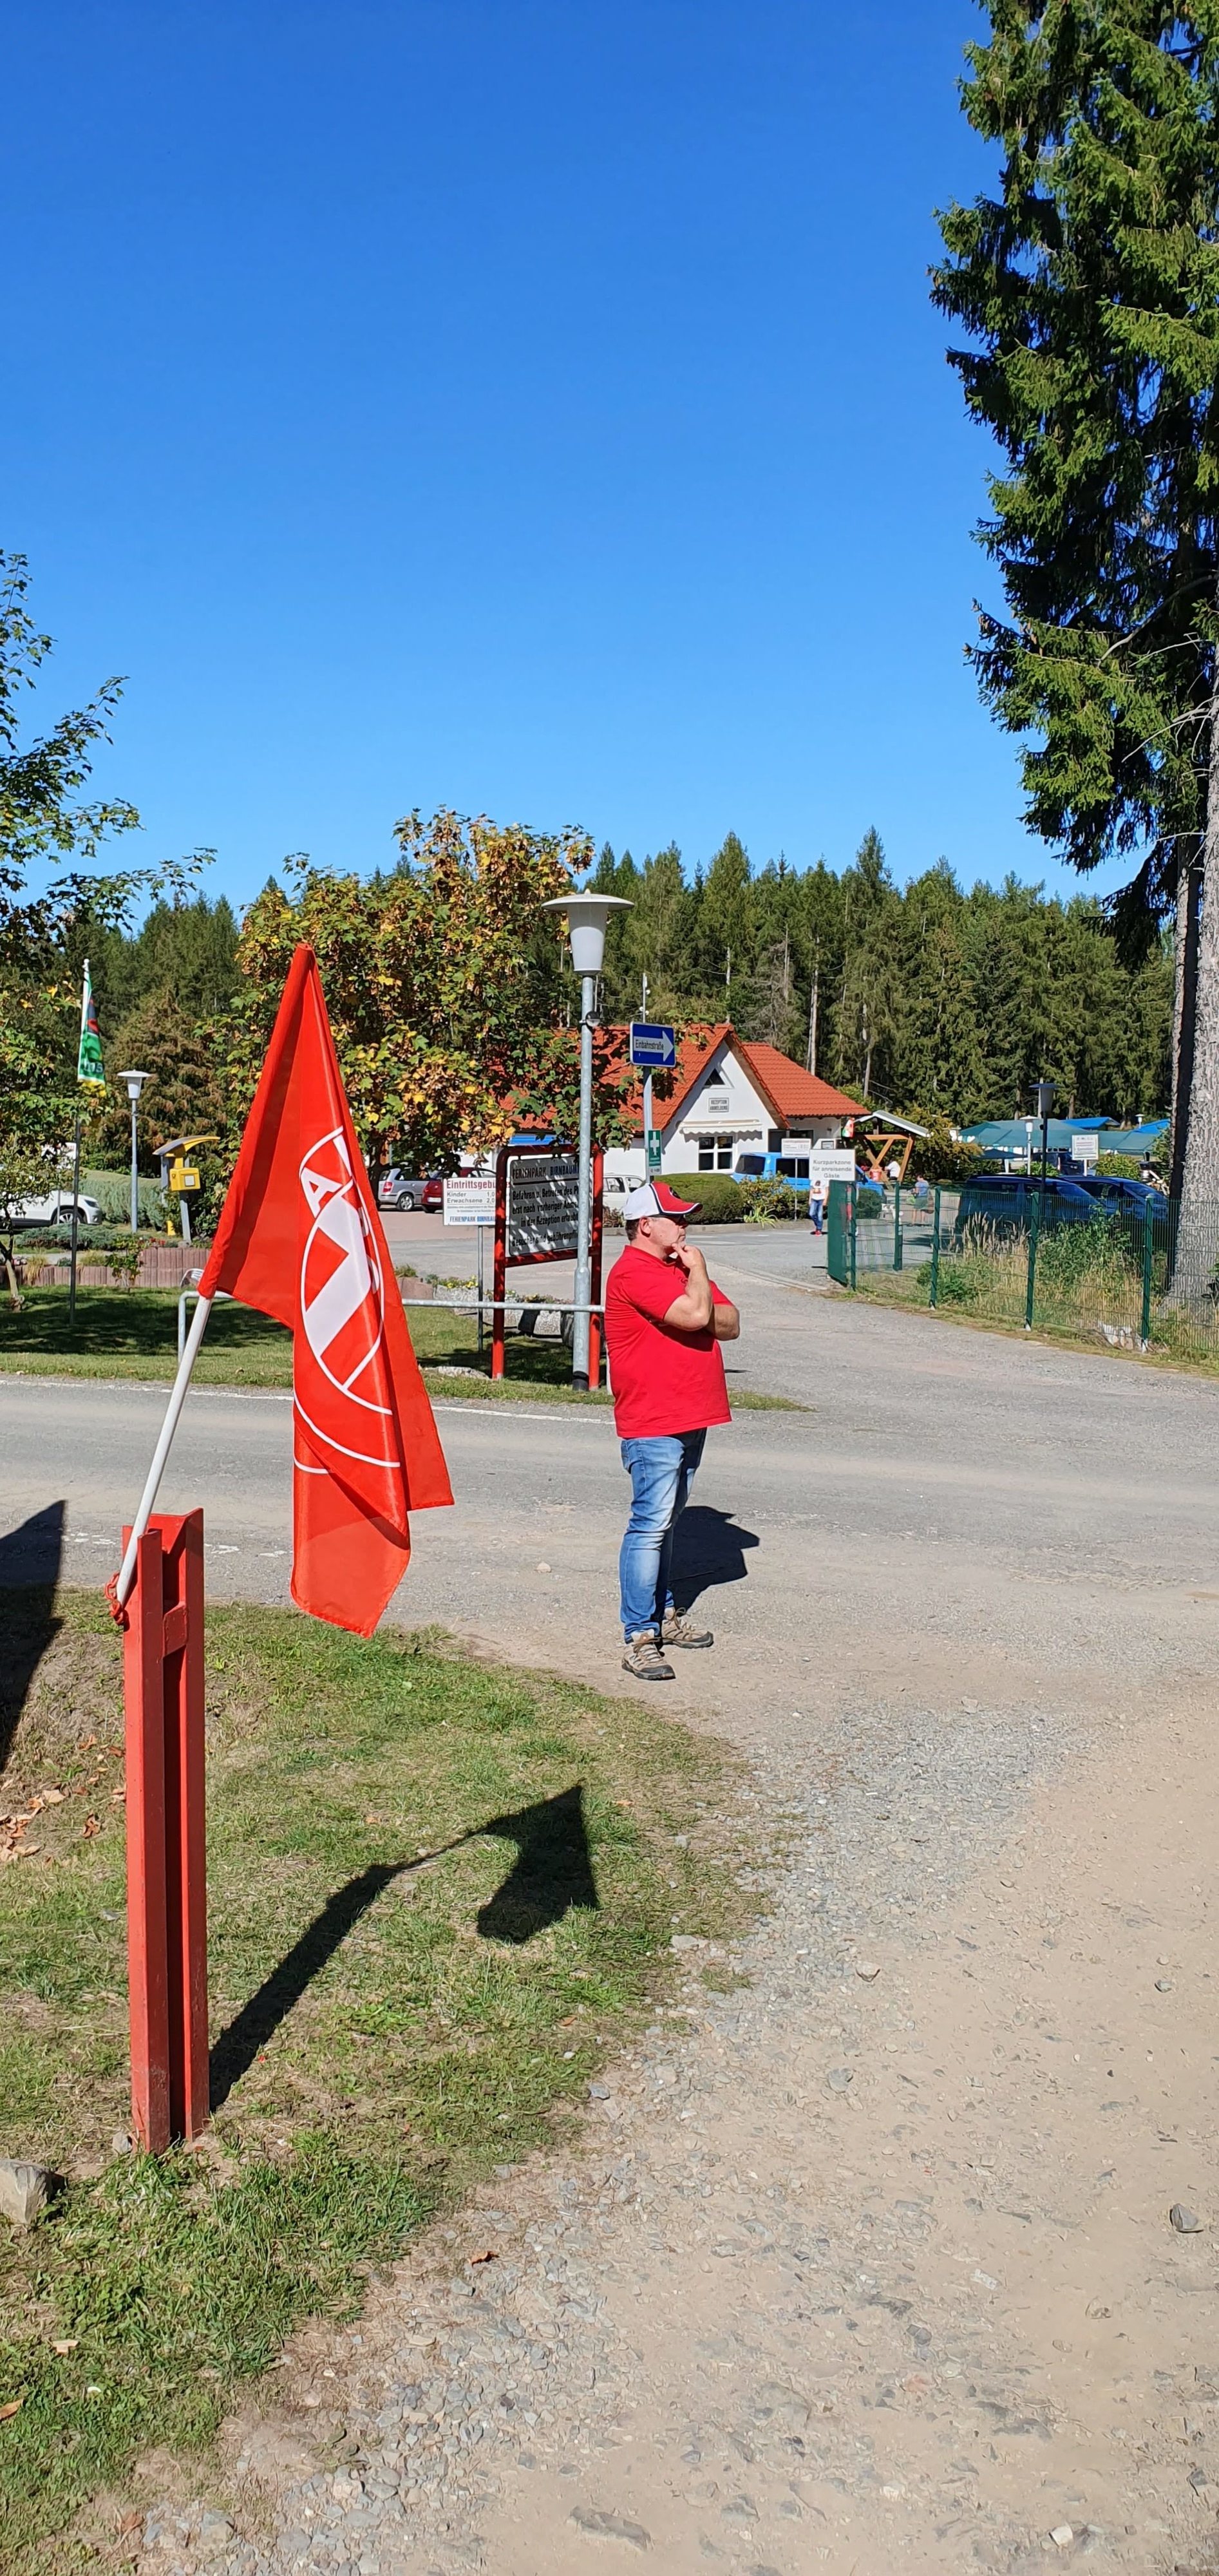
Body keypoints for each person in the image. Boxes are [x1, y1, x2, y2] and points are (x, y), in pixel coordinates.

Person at [603, 1180, 740, 1681]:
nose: (685, 1226)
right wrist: (699, 1274)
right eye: (675, 1218)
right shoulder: (634, 1271)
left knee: (667, 1524)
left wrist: (695, 1291)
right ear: (646, 1225)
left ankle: (662, 1615)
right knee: (650, 1525)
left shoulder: (673, 1269)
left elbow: (729, 1323)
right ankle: (639, 1635)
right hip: (654, 1421)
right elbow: (696, 1314)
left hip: (691, 1415)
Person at [809, 1171, 827, 1235]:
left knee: (820, 1215)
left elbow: (827, 1191)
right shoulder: (813, 1180)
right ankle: (818, 1225)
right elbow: (811, 1190)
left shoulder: (825, 1180)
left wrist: (825, 1200)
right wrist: (810, 1200)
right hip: (814, 1199)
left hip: (821, 1199)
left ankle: (819, 1230)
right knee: (811, 1214)